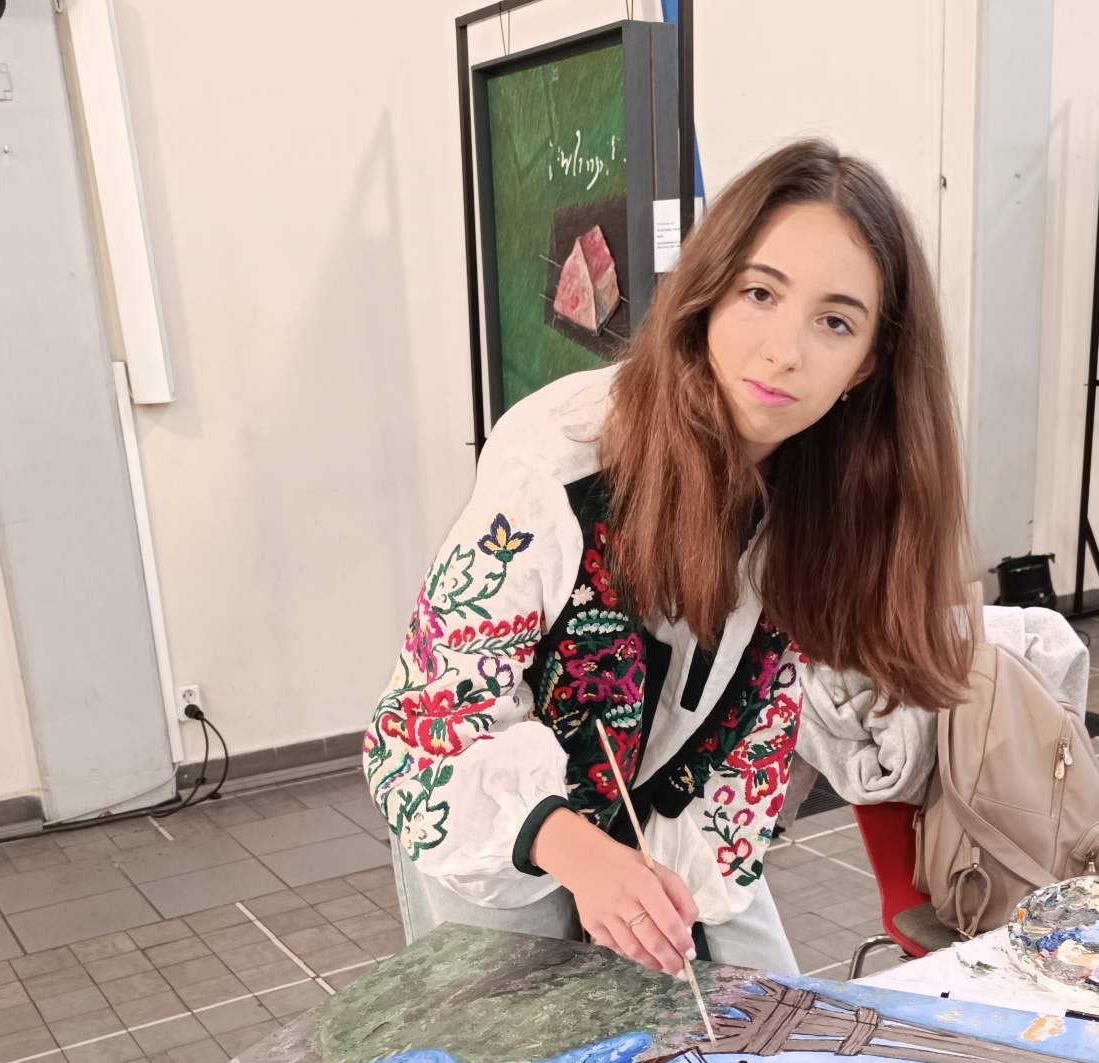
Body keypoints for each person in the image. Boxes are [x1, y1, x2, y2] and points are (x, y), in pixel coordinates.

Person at [362, 139, 972, 979]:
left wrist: (684, 888)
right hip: (500, 832)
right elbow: (418, 732)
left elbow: (758, 730)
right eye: (760, 293)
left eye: (834, 321)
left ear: (867, 362)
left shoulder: (834, 496)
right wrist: (575, 849)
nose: (784, 351)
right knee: (518, 1050)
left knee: (758, 1017)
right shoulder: (561, 459)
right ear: (709, 290)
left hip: (677, 826)